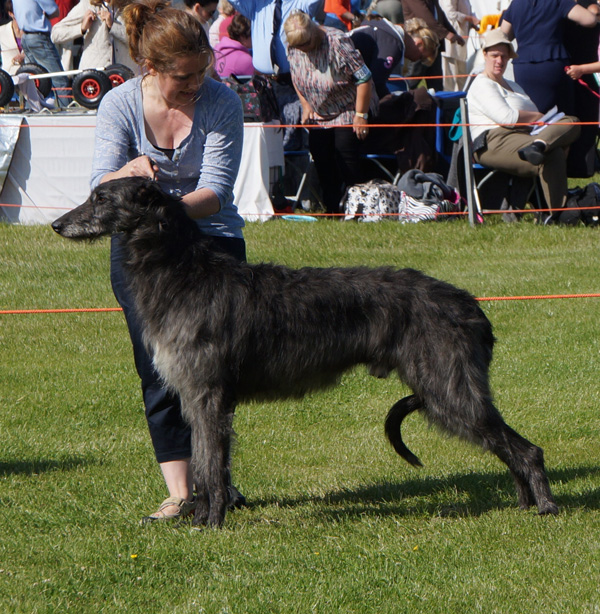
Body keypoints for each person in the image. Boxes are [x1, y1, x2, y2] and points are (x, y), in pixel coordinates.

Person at [91, 0, 246, 522]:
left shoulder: (222, 103)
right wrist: (124, 175)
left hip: (212, 245)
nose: (197, 84)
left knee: (215, 374)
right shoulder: (118, 105)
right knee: (157, 369)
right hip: (143, 257)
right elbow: (99, 184)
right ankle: (180, 491)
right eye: (185, 76)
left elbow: (216, 192)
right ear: (150, 69)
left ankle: (217, 483)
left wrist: (159, 207)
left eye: (203, 71)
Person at [466, 29, 581, 214]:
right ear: (484, 54)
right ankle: (558, 214)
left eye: (504, 56)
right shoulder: (481, 83)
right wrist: (537, 118)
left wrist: (536, 119)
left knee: (572, 121)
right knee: (554, 153)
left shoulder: (513, 85)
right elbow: (508, 118)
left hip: (526, 135)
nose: (500, 61)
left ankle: (539, 145)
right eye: (495, 55)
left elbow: (530, 113)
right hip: (493, 142)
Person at [284, 10, 377, 215]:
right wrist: (306, 106)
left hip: (348, 107)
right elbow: (296, 75)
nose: (303, 50)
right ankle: (333, 209)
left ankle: (360, 208)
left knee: (345, 155)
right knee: (320, 155)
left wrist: (361, 115)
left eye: (305, 44)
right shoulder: (294, 46)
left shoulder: (337, 42)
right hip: (319, 111)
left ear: (313, 32)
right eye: (298, 46)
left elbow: (364, 78)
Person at [227, 0, 322, 150]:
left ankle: (297, 171)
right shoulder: (257, 5)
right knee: (266, 143)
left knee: (294, 141)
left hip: (294, 84)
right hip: (263, 85)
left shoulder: (300, 3)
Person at [500, 0, 597, 115]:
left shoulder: (516, 3)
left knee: (532, 114)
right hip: (552, 63)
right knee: (562, 116)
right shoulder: (557, 1)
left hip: (523, 67)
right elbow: (590, 20)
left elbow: (503, 35)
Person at [51, 0, 139, 73]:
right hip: (94, 76)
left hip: (123, 74)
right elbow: (55, 34)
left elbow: (138, 41)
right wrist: (81, 28)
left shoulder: (130, 7)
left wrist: (113, 26)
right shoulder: (87, 5)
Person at [12, 0, 72, 106]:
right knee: (60, 80)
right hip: (38, 37)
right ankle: (67, 113)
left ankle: (32, 110)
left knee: (33, 80)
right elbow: (54, 11)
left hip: (25, 37)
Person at [349, 15, 422, 98]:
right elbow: (376, 82)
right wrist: (391, 102)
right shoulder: (393, 43)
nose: (416, 60)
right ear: (419, 43)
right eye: (421, 57)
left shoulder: (385, 30)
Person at [400, 0, 464, 91]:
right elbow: (425, 17)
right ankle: (400, 100)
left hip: (433, 45)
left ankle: (437, 104)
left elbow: (439, 14)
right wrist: (446, 33)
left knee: (436, 83)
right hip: (418, 46)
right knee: (411, 81)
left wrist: (452, 32)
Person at [439, 0, 479, 91]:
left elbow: (464, 10)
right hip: (451, 42)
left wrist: (471, 23)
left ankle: (462, 101)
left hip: (461, 42)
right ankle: (449, 103)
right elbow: (449, 13)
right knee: (449, 80)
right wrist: (469, 18)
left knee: (462, 79)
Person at [0, 0, 25, 74]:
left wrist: (24, 56)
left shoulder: (32, 30)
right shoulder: (1, 31)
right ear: (10, 14)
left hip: (31, 73)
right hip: (9, 74)